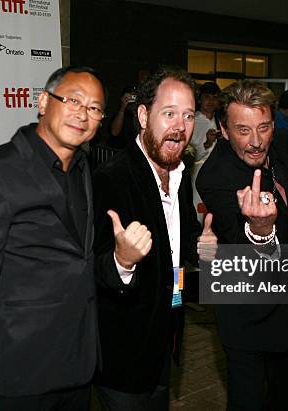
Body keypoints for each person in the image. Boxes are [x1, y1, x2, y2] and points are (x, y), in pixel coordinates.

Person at [0, 66, 106, 411]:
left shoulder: (82, 170)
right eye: (73, 100)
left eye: (94, 108)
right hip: (18, 371)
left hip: (77, 365)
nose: (83, 114)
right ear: (42, 102)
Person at [92, 67, 218, 410]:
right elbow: (93, 268)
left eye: (189, 115)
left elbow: (175, 243)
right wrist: (122, 261)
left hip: (166, 339)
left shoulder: (178, 173)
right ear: (143, 116)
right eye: (169, 113)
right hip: (124, 357)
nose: (180, 125)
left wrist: (199, 246)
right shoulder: (112, 179)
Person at [196, 80, 288, 411]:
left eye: (264, 127)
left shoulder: (285, 143)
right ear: (223, 128)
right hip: (248, 311)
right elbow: (237, 238)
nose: (256, 141)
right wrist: (261, 230)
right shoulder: (214, 177)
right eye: (243, 130)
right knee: (249, 400)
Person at [188, 81, 221, 222]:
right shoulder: (192, 120)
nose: (211, 101)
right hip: (198, 173)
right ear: (200, 99)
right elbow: (189, 155)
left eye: (214, 97)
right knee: (198, 210)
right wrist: (207, 143)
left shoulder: (221, 121)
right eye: (207, 97)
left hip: (218, 174)